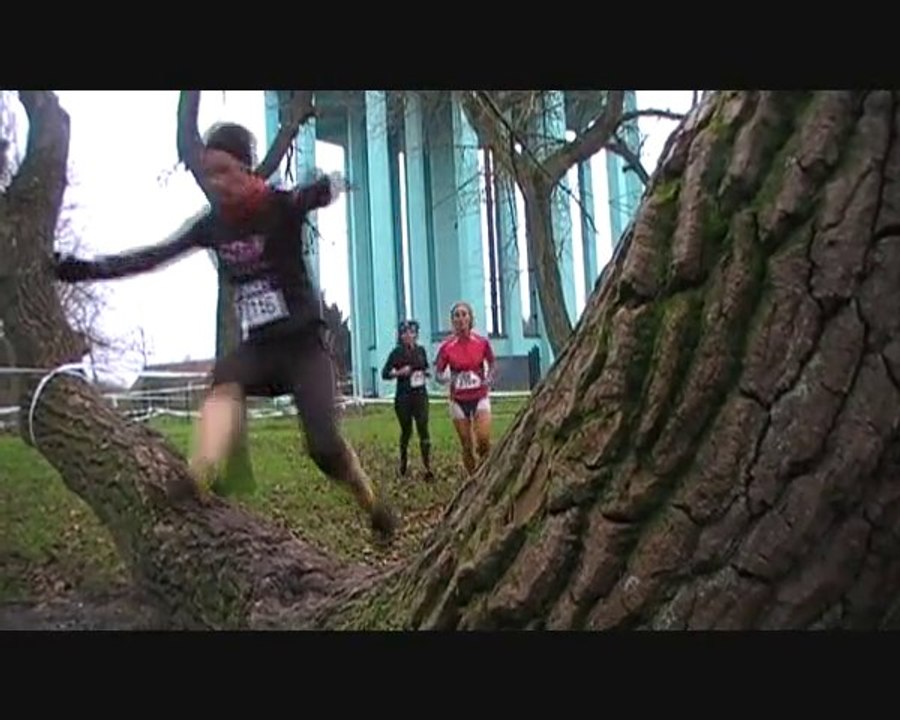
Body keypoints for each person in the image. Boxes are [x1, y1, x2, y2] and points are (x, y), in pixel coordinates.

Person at [52, 121, 398, 542]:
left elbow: (313, 195)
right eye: (208, 174)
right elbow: (151, 257)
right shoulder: (211, 227)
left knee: (323, 447)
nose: (215, 183)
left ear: (246, 169)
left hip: (304, 349)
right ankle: (197, 478)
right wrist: (82, 270)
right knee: (224, 376)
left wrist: (333, 185)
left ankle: (372, 503)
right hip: (261, 349)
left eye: (222, 171)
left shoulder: (278, 206)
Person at [434, 301, 496, 476]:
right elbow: (437, 373)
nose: (461, 319)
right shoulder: (447, 347)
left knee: (483, 438)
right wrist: (447, 378)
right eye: (457, 315)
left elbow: (492, 363)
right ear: (452, 321)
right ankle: (473, 478)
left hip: (479, 395)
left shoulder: (481, 343)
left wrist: (489, 378)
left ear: (470, 318)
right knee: (466, 444)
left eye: (464, 314)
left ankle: (486, 470)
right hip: (458, 400)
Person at [381, 319, 433, 481]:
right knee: (407, 431)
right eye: (404, 333)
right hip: (403, 397)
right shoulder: (396, 353)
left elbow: (425, 367)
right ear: (401, 336)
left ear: (416, 334)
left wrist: (425, 373)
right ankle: (403, 462)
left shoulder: (421, 351)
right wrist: (398, 373)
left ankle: (427, 466)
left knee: (423, 428)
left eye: (411, 332)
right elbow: (384, 373)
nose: (408, 335)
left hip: (420, 395)